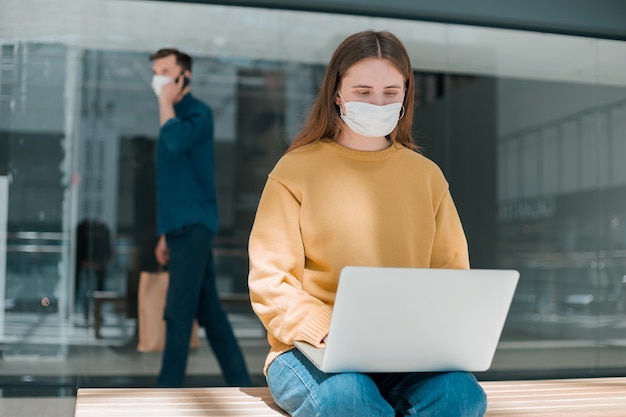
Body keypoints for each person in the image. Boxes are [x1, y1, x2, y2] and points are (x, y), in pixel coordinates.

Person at [247, 31, 487, 416]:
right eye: (363, 91)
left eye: (390, 92)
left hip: (405, 352)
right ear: (337, 94)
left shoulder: (427, 177)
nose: (378, 102)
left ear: (406, 97)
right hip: (310, 350)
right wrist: (325, 327)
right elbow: (270, 280)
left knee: (462, 396)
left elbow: (450, 274)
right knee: (350, 399)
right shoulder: (294, 171)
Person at [149, 48, 251, 388]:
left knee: (178, 312)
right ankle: (243, 382)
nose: (159, 79)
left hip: (194, 226)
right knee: (210, 314)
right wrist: (164, 232)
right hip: (180, 227)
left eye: (165, 71)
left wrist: (165, 102)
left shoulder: (198, 114)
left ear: (184, 76)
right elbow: (171, 182)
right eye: (156, 72)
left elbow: (176, 142)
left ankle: (167, 390)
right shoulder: (172, 117)